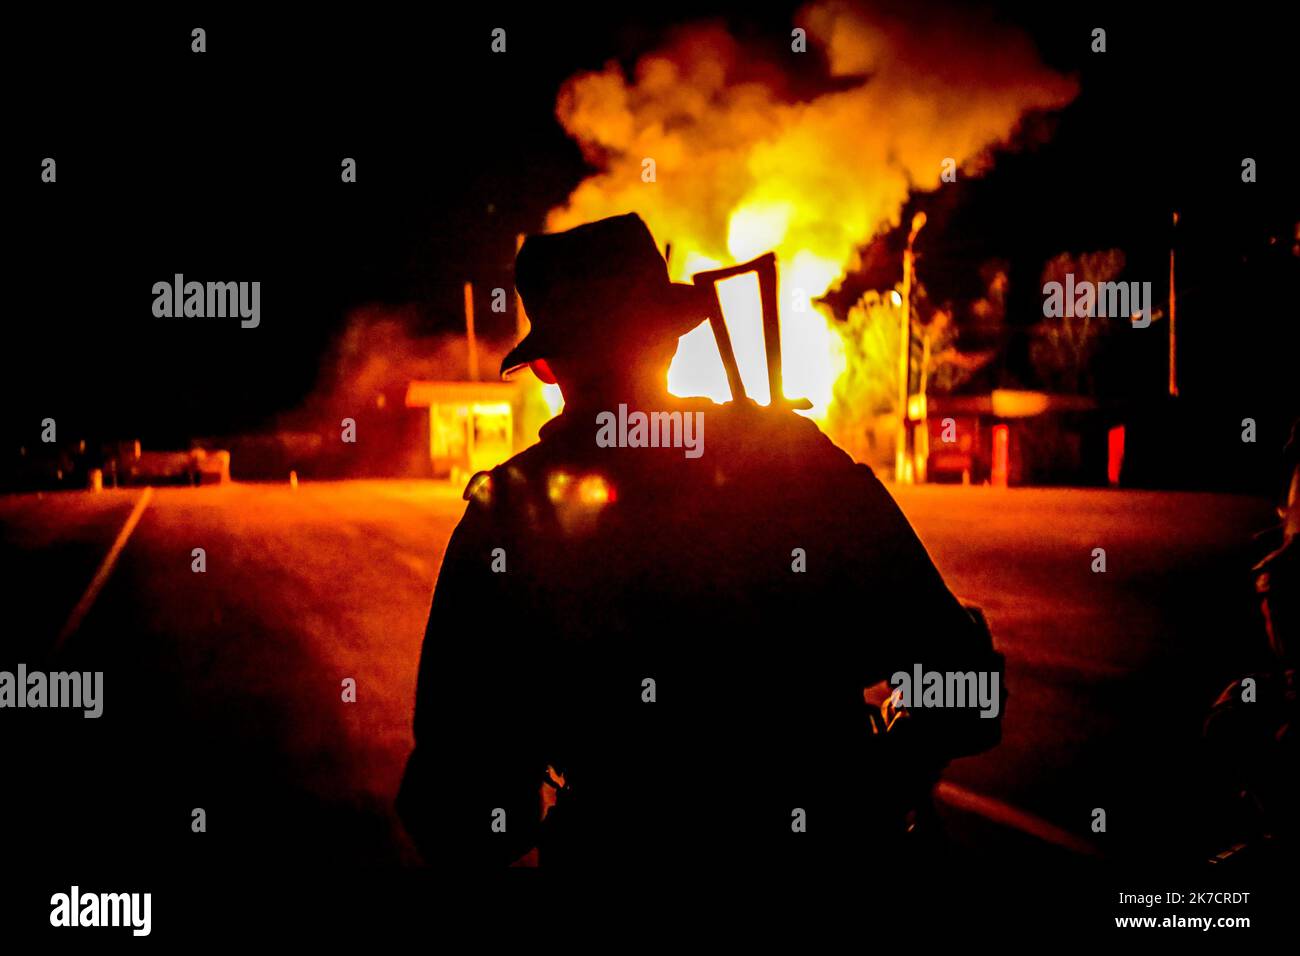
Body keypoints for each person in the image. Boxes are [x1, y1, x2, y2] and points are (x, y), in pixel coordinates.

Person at [396, 212, 1004, 872]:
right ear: (674, 340)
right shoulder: (796, 463)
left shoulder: (506, 517)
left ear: (545, 367)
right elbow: (967, 689)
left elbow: (456, 817)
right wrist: (871, 780)